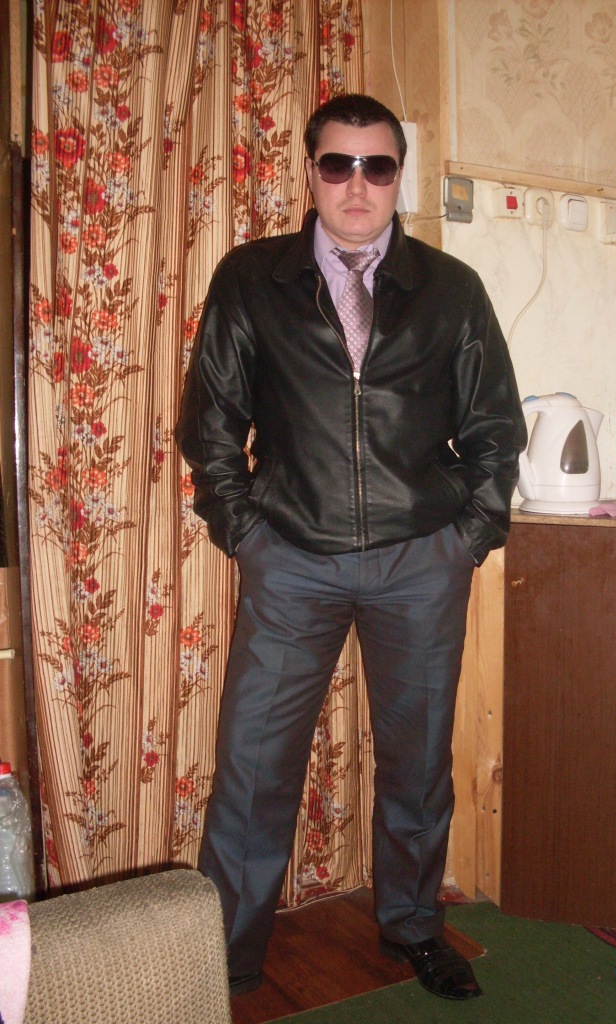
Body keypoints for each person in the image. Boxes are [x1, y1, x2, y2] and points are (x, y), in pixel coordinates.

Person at [176, 93, 526, 1002]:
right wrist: (247, 533)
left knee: (418, 761)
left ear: (399, 176)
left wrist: (467, 538)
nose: (357, 185)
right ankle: (226, 955)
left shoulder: (451, 289)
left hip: (421, 559)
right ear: (311, 173)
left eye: (377, 166)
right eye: (338, 164)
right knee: (254, 765)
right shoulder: (252, 279)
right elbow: (211, 425)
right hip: (292, 557)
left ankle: (413, 925)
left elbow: (496, 430)